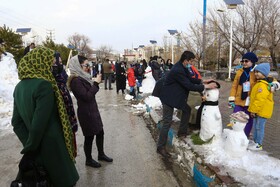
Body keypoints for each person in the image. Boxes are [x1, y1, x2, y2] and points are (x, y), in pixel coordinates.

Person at [11, 47, 79, 187]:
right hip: (52, 147)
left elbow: (16, 123)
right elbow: (39, 123)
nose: (53, 65)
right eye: (50, 62)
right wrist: (31, 148)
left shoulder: (19, 87)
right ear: (40, 63)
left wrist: (29, 144)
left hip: (36, 148)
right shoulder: (44, 85)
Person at [157, 51, 217, 157]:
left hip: (175, 96)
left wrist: (203, 81)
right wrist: (206, 87)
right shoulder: (178, 70)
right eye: (191, 61)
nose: (192, 63)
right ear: (186, 61)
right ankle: (160, 147)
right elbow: (189, 85)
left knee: (187, 109)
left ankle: (182, 132)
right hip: (168, 97)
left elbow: (191, 79)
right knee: (167, 121)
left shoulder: (183, 67)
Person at [68, 55, 113, 168]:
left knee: (100, 132)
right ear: (78, 66)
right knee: (89, 136)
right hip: (86, 112)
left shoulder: (83, 77)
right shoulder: (75, 81)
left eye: (88, 65)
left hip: (92, 109)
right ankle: (88, 160)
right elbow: (87, 96)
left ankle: (101, 154)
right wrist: (96, 84)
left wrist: (94, 82)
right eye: (86, 65)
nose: (88, 68)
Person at [228, 52, 258, 138]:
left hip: (250, 101)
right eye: (243, 61)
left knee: (248, 120)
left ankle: (245, 136)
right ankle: (235, 136)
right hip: (239, 100)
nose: (244, 63)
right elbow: (234, 86)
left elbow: (267, 78)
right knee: (235, 117)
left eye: (246, 61)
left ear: (252, 62)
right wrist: (231, 99)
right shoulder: (239, 72)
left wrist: (274, 84)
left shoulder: (255, 72)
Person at [248, 63, 274, 151]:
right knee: (256, 126)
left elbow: (259, 100)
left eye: (258, 72)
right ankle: (255, 142)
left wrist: (253, 110)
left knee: (259, 127)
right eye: (255, 72)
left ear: (264, 73)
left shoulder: (263, 85)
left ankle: (259, 144)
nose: (256, 74)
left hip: (261, 111)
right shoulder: (260, 83)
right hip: (258, 111)